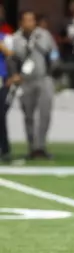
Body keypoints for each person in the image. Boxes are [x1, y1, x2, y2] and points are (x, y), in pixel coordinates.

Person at [13, 10, 58, 160]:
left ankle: (41, 147)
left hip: (44, 78)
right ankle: (31, 147)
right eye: (26, 20)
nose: (30, 23)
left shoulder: (44, 35)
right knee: (28, 115)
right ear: (21, 22)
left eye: (32, 20)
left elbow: (54, 53)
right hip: (25, 81)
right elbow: (13, 58)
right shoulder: (16, 38)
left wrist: (53, 68)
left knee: (45, 114)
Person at [0, 29, 15, 163]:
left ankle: (5, 149)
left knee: (1, 115)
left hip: (1, 80)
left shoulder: (5, 38)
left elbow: (10, 54)